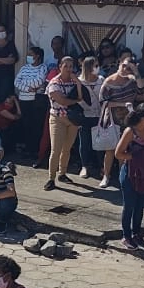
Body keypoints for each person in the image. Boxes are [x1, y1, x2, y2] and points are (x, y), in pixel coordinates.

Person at [113, 106, 144, 249]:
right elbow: (118, 153)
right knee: (129, 206)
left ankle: (136, 234)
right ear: (143, 117)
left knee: (140, 205)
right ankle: (126, 236)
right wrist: (134, 156)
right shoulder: (130, 132)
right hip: (130, 174)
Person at [44, 58, 84, 190]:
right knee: (56, 149)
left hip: (72, 119)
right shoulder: (54, 83)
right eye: (65, 66)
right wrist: (76, 100)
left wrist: (78, 82)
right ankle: (51, 178)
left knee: (67, 148)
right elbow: (62, 101)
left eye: (71, 66)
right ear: (60, 66)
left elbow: (81, 95)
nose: (68, 68)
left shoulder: (74, 81)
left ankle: (62, 173)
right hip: (57, 118)